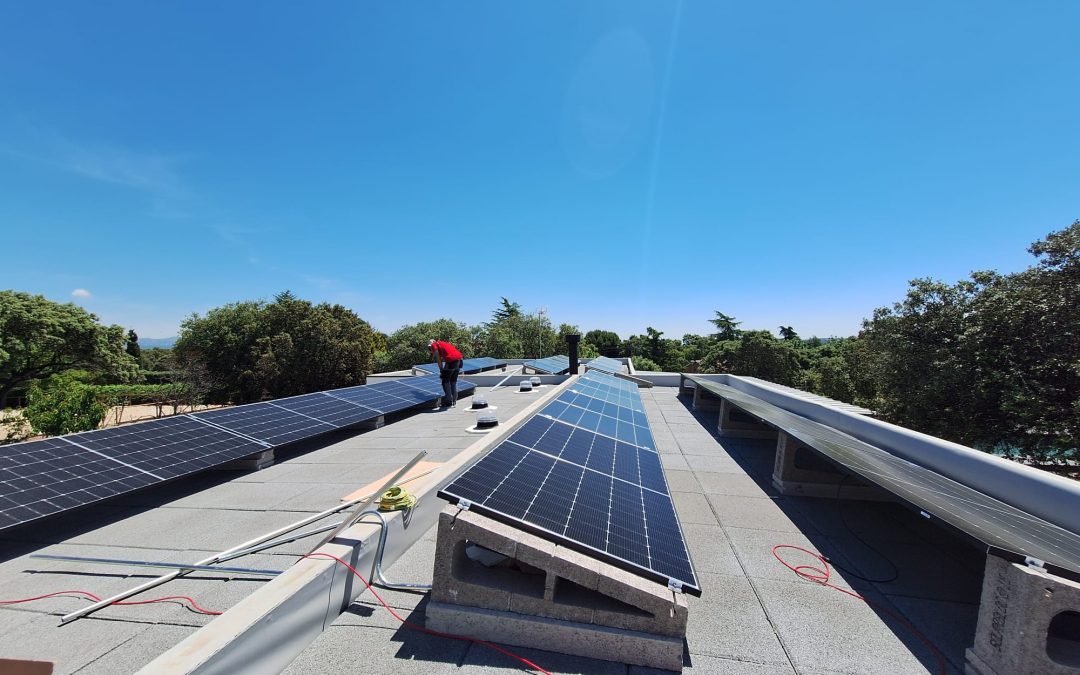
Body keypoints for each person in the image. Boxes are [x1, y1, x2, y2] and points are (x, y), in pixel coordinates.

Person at [429, 339, 463, 407]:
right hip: (460, 360)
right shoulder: (443, 343)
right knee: (453, 381)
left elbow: (438, 359)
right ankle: (454, 400)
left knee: (445, 380)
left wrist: (441, 370)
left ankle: (448, 401)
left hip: (452, 361)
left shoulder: (434, 345)